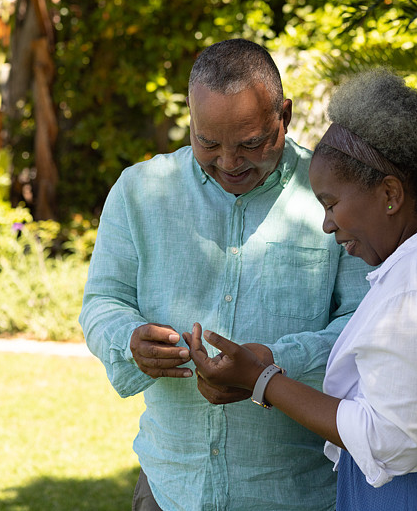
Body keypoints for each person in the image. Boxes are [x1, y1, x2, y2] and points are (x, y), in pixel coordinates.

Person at [188, 69, 417, 510]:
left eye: (332, 203)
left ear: (390, 194)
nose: (327, 224)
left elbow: (388, 442)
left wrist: (261, 381)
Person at [78, 39, 372, 511]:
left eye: (251, 143)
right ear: (190, 120)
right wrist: (129, 339)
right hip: (169, 487)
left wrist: (271, 367)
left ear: (285, 117)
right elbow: (102, 301)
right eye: (208, 143)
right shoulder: (139, 190)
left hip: (295, 493)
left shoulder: (334, 195)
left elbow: (363, 322)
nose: (230, 163)